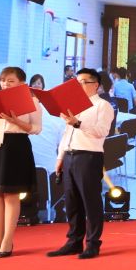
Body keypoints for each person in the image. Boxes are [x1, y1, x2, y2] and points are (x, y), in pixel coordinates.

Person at [0, 67, 42, 258]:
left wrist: (16, 121)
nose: (5, 84)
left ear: (22, 83)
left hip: (17, 146)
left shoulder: (31, 100)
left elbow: (36, 128)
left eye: (10, 81)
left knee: (11, 195)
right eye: (3, 80)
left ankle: (7, 240)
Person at [47, 69, 114, 259]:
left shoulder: (102, 105)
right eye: (77, 82)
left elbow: (102, 131)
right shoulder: (73, 105)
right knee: (72, 202)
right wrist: (60, 158)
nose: (79, 85)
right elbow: (66, 134)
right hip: (69, 155)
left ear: (96, 85)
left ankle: (92, 243)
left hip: (89, 156)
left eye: (83, 82)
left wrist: (78, 123)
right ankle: (74, 242)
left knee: (90, 201)